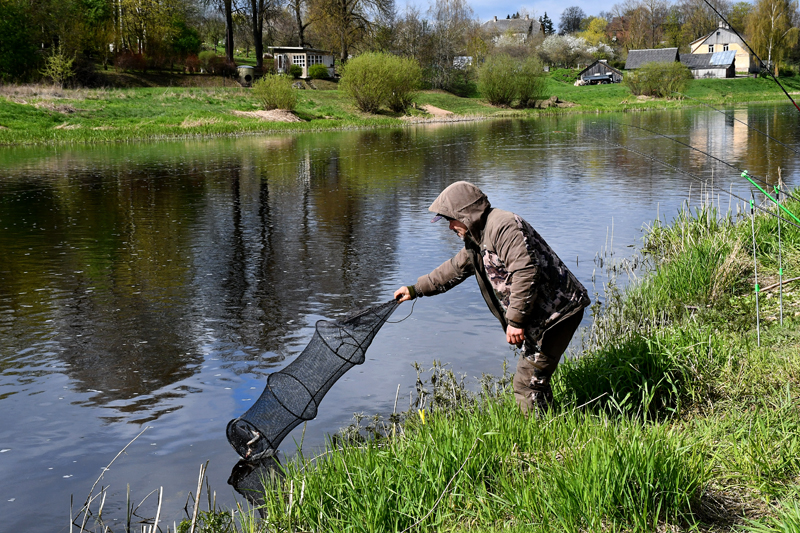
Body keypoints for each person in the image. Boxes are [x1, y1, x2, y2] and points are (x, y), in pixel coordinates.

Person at [394, 181, 590, 415]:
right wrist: (415, 289)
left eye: (450, 220)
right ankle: (552, 425)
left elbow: (526, 272)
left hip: (558, 313)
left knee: (526, 385)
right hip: (541, 315)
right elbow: (453, 270)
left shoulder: (503, 226)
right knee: (533, 381)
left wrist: (516, 321)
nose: (449, 227)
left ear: (464, 213)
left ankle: (542, 437)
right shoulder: (477, 238)